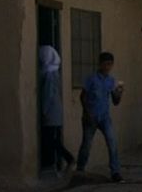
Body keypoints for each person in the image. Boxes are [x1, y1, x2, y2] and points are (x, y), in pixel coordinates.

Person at [76, 51, 124, 182]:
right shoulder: (91, 79)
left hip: (104, 117)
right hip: (91, 116)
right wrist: (87, 113)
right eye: (106, 64)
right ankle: (80, 169)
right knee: (86, 144)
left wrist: (119, 93)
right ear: (100, 64)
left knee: (112, 143)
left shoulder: (111, 81)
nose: (108, 67)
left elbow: (115, 101)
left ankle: (115, 172)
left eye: (110, 64)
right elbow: (83, 96)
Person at [38, 45, 75, 173]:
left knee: (50, 140)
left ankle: (68, 159)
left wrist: (43, 111)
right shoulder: (54, 72)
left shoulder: (49, 74)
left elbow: (48, 95)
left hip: (51, 112)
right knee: (53, 139)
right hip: (55, 112)